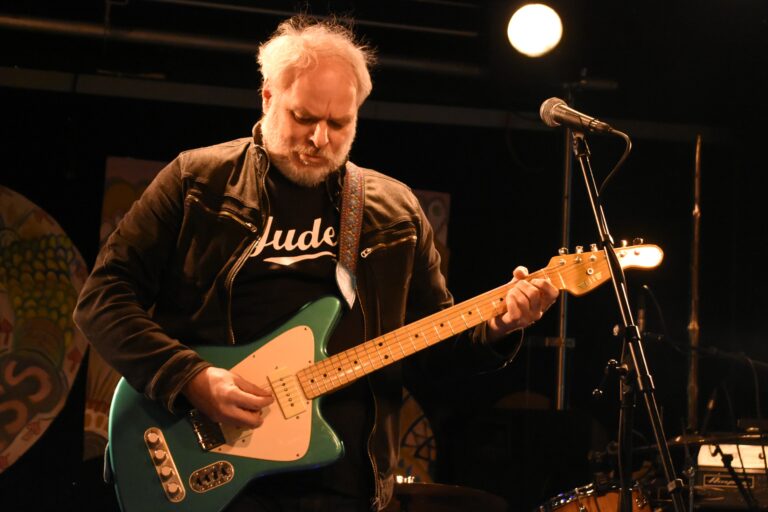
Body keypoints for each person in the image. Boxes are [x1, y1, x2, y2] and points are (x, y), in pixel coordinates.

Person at [73, 15, 559, 512]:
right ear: (267, 97)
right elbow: (102, 300)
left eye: (339, 123)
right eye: (304, 118)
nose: (320, 139)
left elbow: (430, 357)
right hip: (216, 476)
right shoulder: (198, 182)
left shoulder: (394, 212)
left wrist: (498, 327)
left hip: (344, 486)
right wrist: (191, 378)